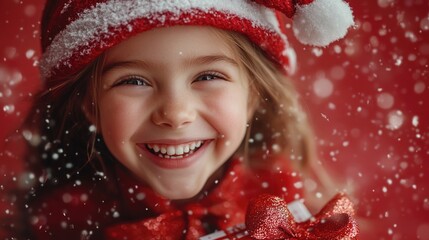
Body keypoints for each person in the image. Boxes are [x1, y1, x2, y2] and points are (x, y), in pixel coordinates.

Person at [9, 0, 355, 239]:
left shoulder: (293, 214)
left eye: (207, 77)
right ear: (90, 105)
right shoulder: (61, 224)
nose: (175, 114)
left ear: (252, 96)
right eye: (133, 81)